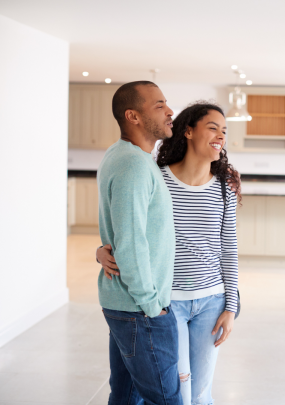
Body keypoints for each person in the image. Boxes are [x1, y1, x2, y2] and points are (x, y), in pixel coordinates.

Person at [98, 101, 240, 405]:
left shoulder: (225, 187)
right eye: (212, 127)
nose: (220, 136)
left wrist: (231, 306)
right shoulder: (157, 176)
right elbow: (128, 226)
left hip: (211, 302)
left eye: (224, 131)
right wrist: (102, 250)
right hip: (167, 302)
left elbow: (229, 247)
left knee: (201, 394)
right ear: (188, 131)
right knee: (178, 391)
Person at [97, 81, 182, 404]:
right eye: (159, 105)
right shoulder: (133, 164)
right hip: (139, 308)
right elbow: (131, 242)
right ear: (132, 116)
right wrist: (152, 306)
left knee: (125, 396)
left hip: (128, 305)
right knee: (166, 398)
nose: (170, 111)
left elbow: (122, 228)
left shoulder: (127, 156)